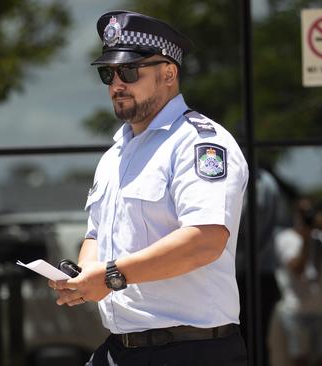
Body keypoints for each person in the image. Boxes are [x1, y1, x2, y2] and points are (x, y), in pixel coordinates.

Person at [48, 10, 249, 366]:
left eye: (129, 71)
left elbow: (206, 240)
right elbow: (96, 235)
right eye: (107, 74)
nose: (116, 84)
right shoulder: (115, 154)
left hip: (191, 350)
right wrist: (81, 278)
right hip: (121, 348)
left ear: (169, 73)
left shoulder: (200, 143)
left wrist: (110, 277)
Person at [269, 199, 322, 366]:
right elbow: (297, 269)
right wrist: (306, 239)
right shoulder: (286, 238)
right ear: (296, 216)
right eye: (304, 214)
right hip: (297, 310)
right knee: (300, 361)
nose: (308, 218)